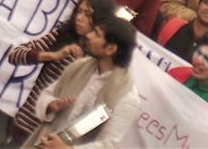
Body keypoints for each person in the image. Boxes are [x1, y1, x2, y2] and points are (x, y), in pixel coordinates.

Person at [18, 12, 140, 148]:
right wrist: (51, 104)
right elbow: (47, 94)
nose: (89, 36)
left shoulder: (126, 97)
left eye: (97, 35)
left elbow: (108, 145)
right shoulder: (79, 67)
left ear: (110, 48)